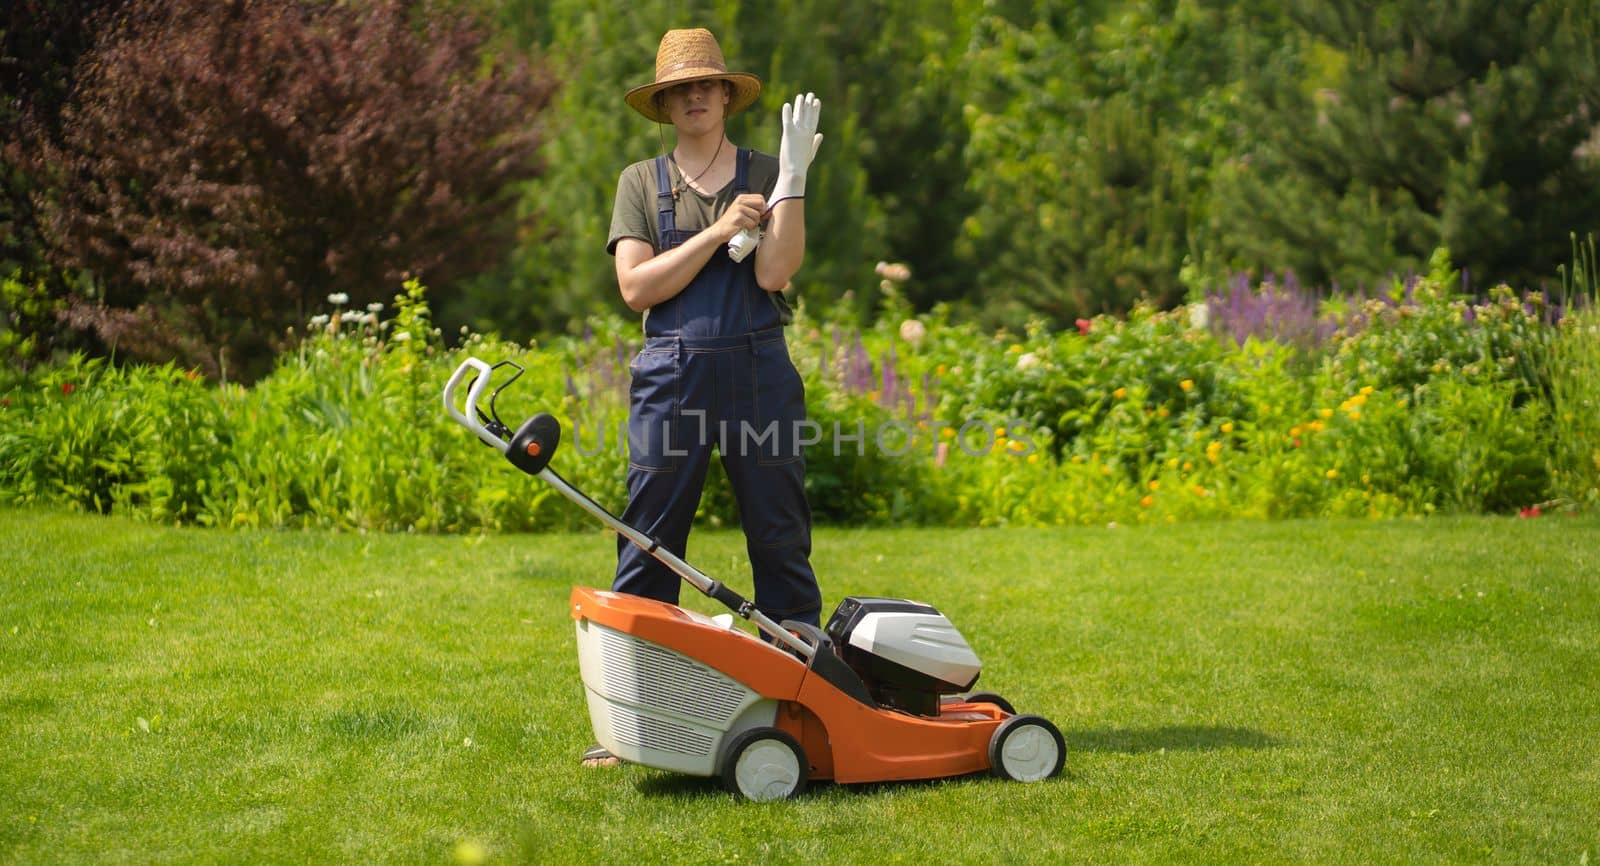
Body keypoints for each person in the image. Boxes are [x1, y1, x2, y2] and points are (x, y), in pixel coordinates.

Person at [584, 29, 824, 767]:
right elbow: (636, 287)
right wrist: (720, 228)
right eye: (679, 89)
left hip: (760, 372)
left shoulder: (763, 169)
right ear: (664, 105)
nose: (694, 96)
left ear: (726, 95)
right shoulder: (640, 182)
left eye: (706, 85)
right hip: (671, 375)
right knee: (649, 542)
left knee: (779, 538)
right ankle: (635, 725)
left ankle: (803, 714)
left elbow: (775, 273)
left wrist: (792, 179)